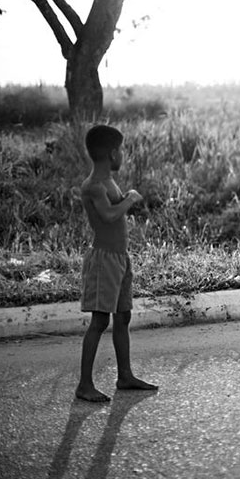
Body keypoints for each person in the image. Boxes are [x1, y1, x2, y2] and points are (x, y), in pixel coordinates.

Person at [77, 125, 158, 403]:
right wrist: (131, 199)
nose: (122, 155)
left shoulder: (108, 181)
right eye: (120, 150)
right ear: (112, 153)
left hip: (120, 258)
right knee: (99, 321)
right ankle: (84, 384)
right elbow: (109, 215)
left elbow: (113, 207)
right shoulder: (94, 186)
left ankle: (125, 375)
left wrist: (124, 198)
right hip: (104, 261)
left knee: (123, 316)